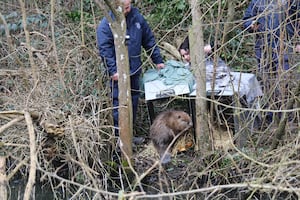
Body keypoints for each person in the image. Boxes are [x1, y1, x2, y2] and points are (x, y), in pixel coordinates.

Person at [97, 0, 164, 144]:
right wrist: (113, 71)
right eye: (124, 6)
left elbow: (148, 39)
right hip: (118, 75)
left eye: (129, 5)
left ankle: (130, 136)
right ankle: (119, 141)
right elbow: (105, 50)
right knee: (119, 106)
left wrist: (158, 60)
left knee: (133, 102)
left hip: (134, 70)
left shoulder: (137, 18)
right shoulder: (106, 24)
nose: (128, 8)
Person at [243, 0, 300, 74]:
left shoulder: (292, 2)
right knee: (265, 75)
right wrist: (251, 25)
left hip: (285, 44)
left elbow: (297, 21)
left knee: (285, 75)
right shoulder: (256, 2)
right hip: (263, 45)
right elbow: (246, 20)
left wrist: (298, 42)